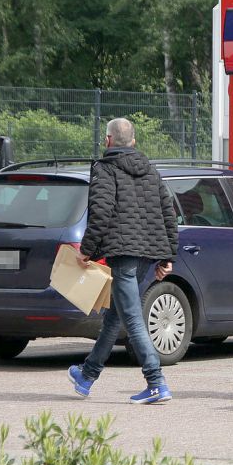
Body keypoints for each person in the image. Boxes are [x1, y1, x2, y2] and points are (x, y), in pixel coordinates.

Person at [66, 117, 178, 404]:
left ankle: (156, 382)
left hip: (123, 254)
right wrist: (167, 255)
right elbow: (169, 212)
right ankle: (87, 375)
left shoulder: (105, 169)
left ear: (108, 141)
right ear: (134, 141)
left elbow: (101, 211)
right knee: (114, 316)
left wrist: (87, 250)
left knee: (131, 317)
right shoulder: (152, 171)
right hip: (146, 255)